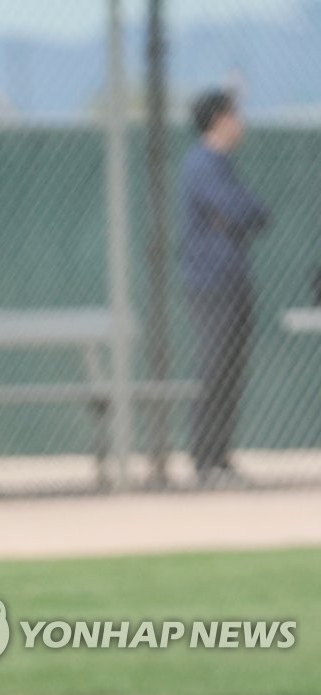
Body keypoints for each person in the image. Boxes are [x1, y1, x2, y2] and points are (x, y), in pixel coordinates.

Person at [179, 89, 270, 487]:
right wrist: (234, 215)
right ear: (219, 119)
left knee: (230, 370)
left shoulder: (222, 164)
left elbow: (255, 214)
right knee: (215, 367)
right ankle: (205, 461)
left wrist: (237, 215)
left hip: (232, 281)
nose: (241, 121)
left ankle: (219, 457)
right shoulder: (202, 164)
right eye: (235, 114)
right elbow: (236, 210)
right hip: (211, 283)